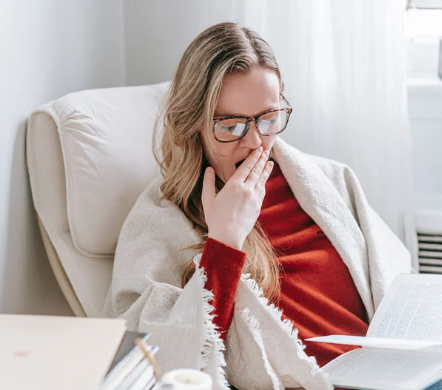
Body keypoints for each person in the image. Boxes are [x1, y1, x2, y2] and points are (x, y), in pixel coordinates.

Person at [102, 22, 422, 389]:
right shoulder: (162, 216)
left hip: (393, 376)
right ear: (192, 125)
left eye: (268, 119)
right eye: (232, 125)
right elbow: (158, 355)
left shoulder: (330, 180)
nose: (256, 143)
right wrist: (224, 240)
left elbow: (397, 283)